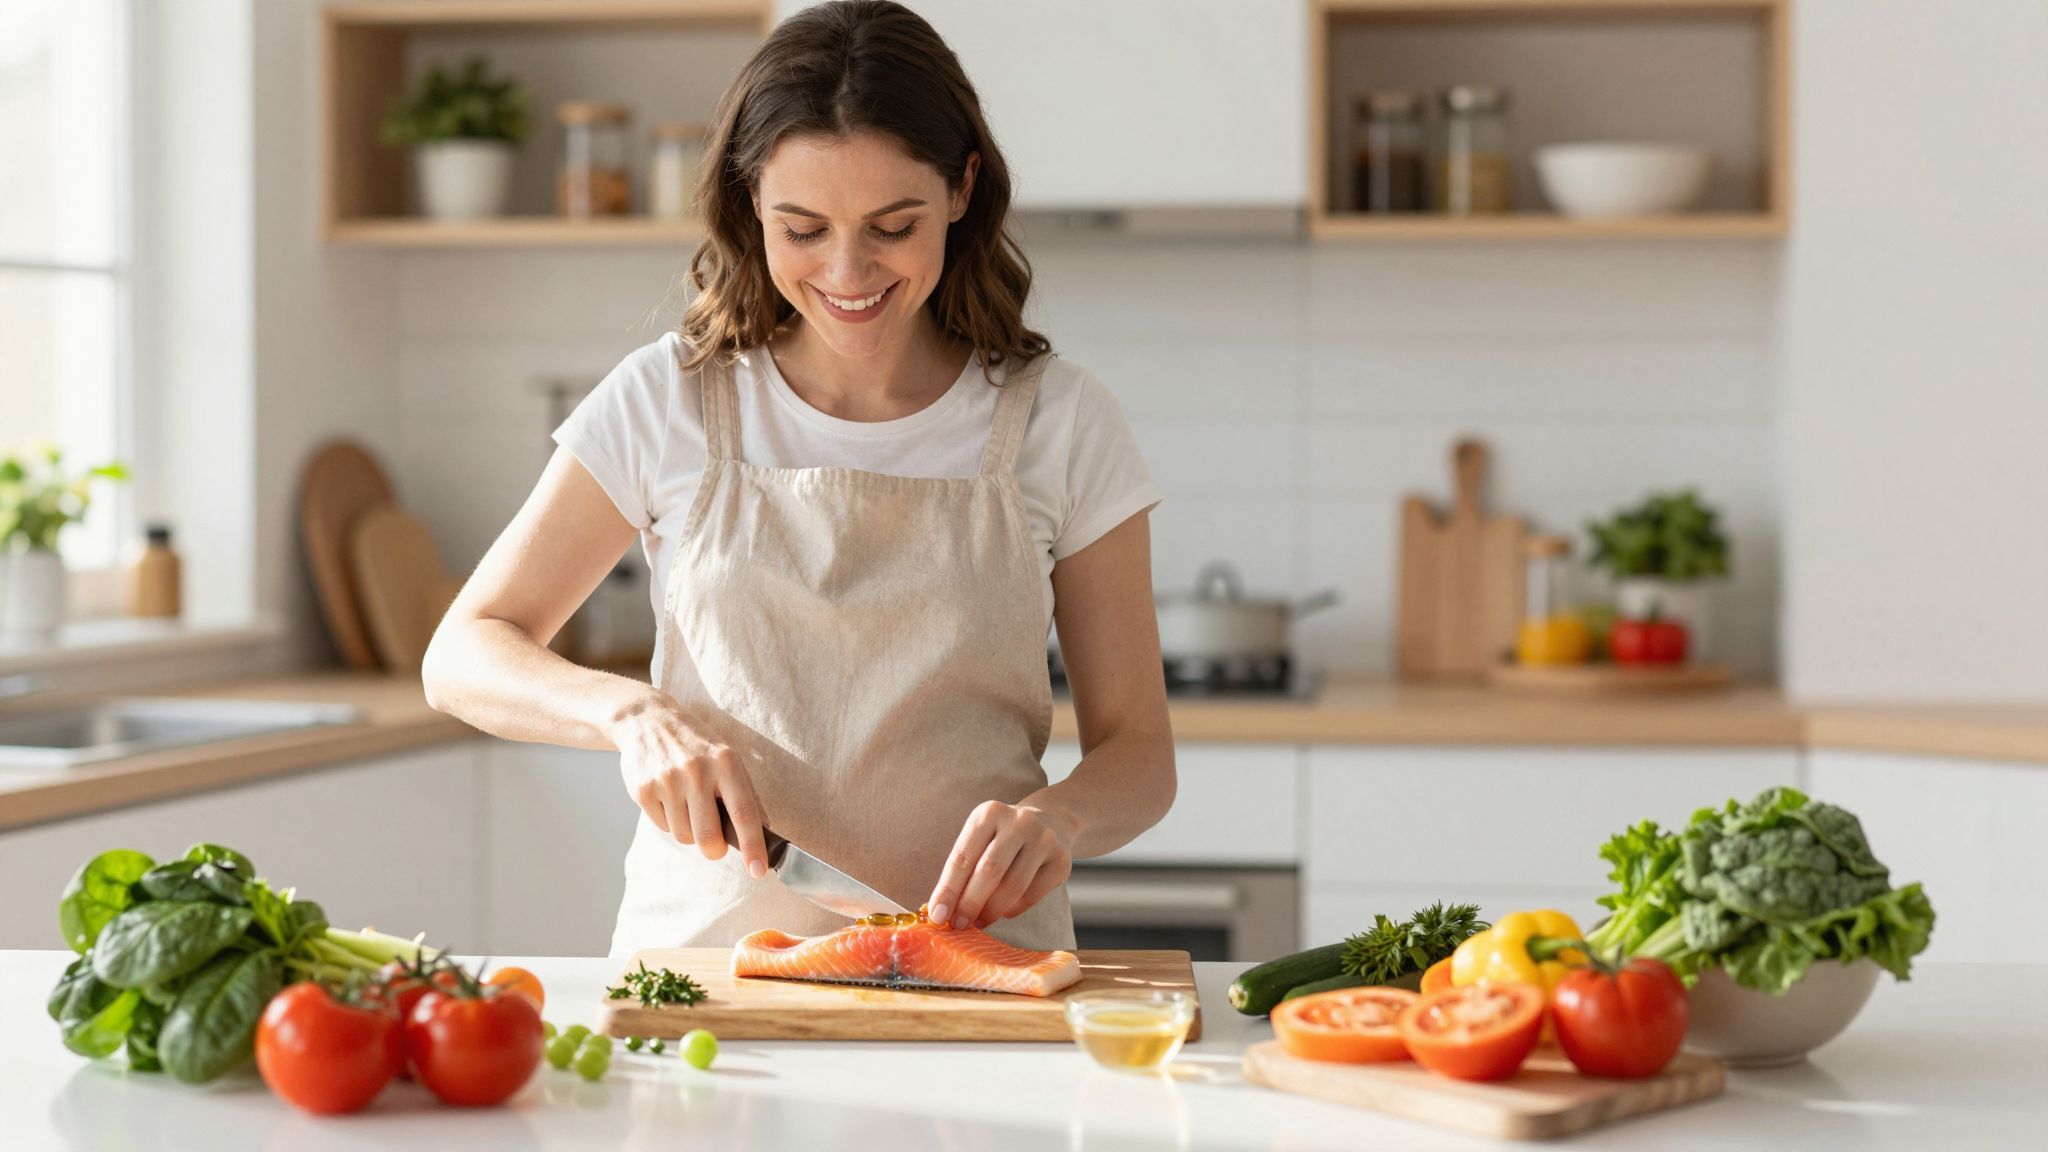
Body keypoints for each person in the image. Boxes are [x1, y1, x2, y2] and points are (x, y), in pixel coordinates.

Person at [422, 0, 1173, 955]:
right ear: (749, 206)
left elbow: (1140, 755)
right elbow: (463, 654)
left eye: (892, 225)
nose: (847, 271)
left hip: (981, 974)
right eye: (803, 228)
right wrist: (629, 713)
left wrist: (1063, 818)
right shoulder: (670, 398)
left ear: (961, 190)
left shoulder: (1059, 420)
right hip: (705, 976)